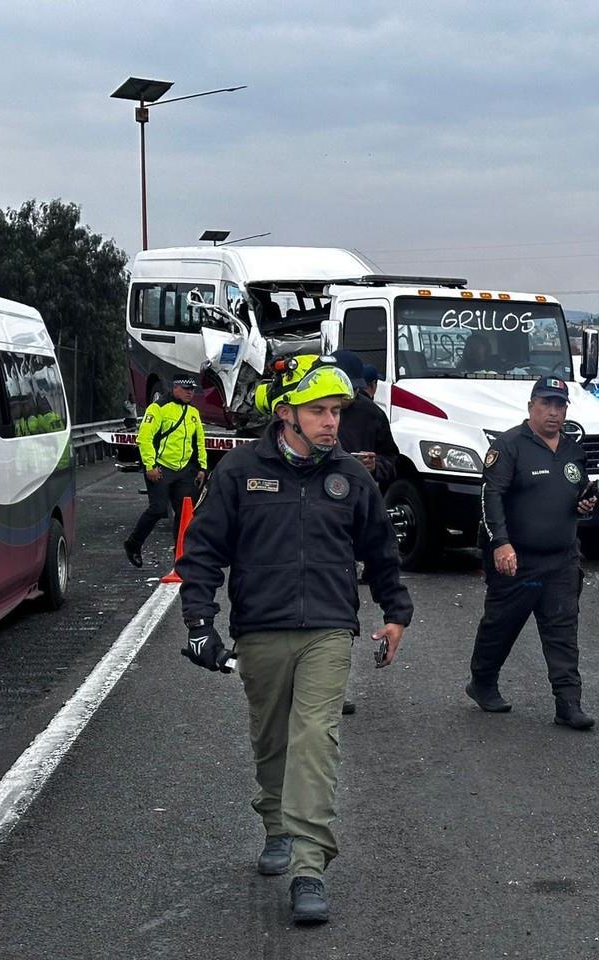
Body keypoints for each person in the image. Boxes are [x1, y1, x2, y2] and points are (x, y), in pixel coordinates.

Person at [174, 354, 413, 926]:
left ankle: (310, 866)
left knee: (315, 738)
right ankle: (276, 823)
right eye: (319, 410)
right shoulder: (238, 472)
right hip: (259, 627)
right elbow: (201, 553)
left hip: (330, 629)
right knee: (273, 739)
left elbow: (381, 550)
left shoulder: (350, 477)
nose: (332, 422)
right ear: (287, 413)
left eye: (336, 411)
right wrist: (200, 624)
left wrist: (395, 612)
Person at [466, 376, 597, 730]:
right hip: (517, 560)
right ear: (531, 406)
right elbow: (490, 496)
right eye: (546, 404)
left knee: (562, 631)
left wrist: (585, 504)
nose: (554, 413)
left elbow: (577, 491)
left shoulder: (572, 450)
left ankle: (568, 703)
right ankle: (482, 682)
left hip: (562, 559)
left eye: (560, 405)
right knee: (501, 627)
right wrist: (501, 543)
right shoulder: (509, 446)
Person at [332, 350, 401, 716]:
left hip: (356, 517)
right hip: (311, 518)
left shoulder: (371, 414)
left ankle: (330, 686)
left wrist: (377, 466)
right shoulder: (301, 412)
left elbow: (394, 462)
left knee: (341, 607)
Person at [124, 374, 207, 568]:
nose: (190, 393)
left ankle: (181, 554)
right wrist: (150, 466)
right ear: (175, 388)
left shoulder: (193, 412)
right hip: (161, 467)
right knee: (158, 509)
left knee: (185, 512)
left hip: (185, 469)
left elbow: (199, 442)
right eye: (186, 389)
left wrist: (202, 467)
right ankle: (133, 544)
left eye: (192, 390)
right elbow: (144, 438)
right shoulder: (158, 408)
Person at [333, 351, 398, 492]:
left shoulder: (372, 413)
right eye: (345, 388)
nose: (351, 394)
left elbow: (392, 460)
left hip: (357, 492)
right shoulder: (308, 410)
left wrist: (375, 466)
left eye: (355, 388)